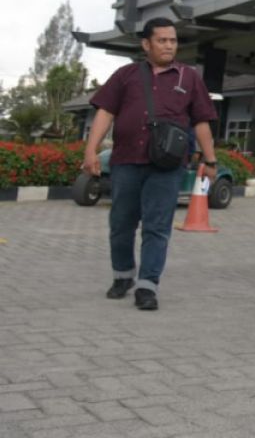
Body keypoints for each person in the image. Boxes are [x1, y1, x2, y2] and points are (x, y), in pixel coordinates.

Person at [83, 18, 218, 312]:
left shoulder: (189, 77)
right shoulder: (125, 75)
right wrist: (91, 150)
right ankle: (122, 276)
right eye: (162, 40)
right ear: (146, 44)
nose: (169, 45)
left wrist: (210, 160)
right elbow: (105, 113)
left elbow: (202, 121)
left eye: (173, 40)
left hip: (167, 166)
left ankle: (147, 286)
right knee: (121, 224)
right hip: (126, 161)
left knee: (157, 227)